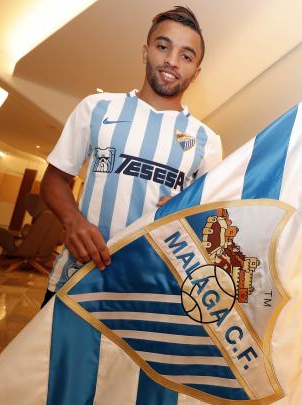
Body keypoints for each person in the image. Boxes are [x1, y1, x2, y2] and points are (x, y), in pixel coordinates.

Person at [40, 6, 222, 306]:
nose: (172, 61)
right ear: (146, 51)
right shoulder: (96, 108)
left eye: (186, 56)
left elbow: (211, 221)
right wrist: (72, 220)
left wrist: (190, 217)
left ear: (196, 71)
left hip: (151, 299)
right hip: (75, 282)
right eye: (163, 47)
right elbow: (53, 180)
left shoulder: (208, 141)